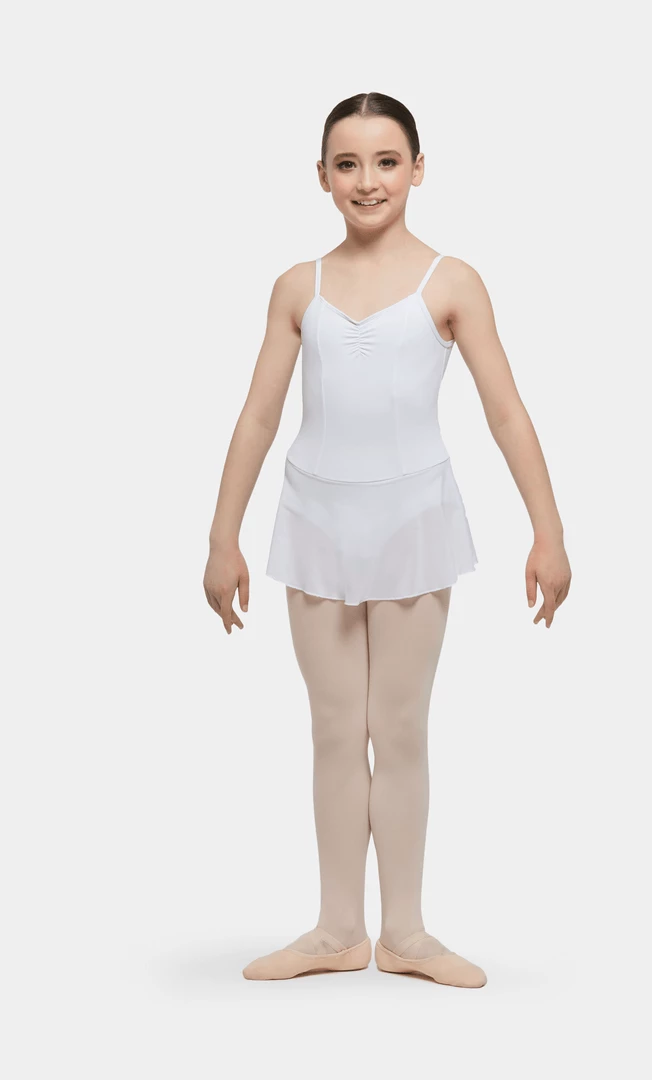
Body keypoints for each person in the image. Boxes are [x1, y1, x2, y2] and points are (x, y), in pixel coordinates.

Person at [203, 91, 572, 989]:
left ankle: (405, 931)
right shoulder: (299, 287)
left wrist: (548, 532)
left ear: (416, 168)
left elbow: (505, 411)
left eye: (384, 161)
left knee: (398, 726)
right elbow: (257, 416)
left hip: (413, 524)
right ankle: (337, 928)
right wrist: (222, 539)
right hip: (315, 521)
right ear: (321, 177)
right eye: (347, 164)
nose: (366, 181)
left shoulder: (451, 281)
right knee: (335, 727)